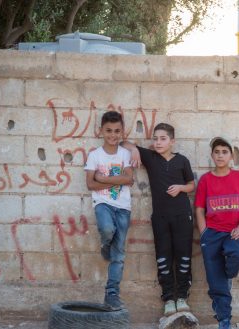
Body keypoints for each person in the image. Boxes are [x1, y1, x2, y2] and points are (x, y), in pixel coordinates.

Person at [123, 123, 196, 316]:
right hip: (160, 218)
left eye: (163, 139)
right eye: (155, 138)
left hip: (182, 216)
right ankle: (168, 298)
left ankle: (182, 297)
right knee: (163, 257)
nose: (158, 142)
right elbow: (123, 143)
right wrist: (135, 151)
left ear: (172, 141)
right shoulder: (151, 157)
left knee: (183, 256)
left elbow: (191, 185)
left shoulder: (182, 161)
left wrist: (181, 188)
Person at [194, 137, 239, 329]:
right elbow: (199, 209)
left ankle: (226, 274)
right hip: (211, 234)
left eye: (224, 152)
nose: (220, 155)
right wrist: (204, 232)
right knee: (217, 284)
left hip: (233, 233)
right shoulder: (206, 180)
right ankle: (224, 320)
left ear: (231, 155)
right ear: (212, 155)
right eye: (217, 152)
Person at [84, 111, 134, 310]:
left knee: (119, 254)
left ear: (122, 132)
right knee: (107, 230)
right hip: (103, 204)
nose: (113, 135)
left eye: (117, 131)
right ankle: (105, 244)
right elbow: (90, 184)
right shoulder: (95, 155)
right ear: (101, 131)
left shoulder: (125, 154)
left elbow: (129, 179)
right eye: (109, 131)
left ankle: (111, 293)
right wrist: (116, 179)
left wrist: (102, 179)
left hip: (123, 207)